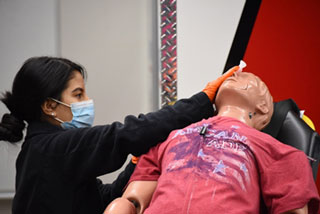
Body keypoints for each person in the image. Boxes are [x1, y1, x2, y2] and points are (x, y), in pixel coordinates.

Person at [0, 56, 237, 214]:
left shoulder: (41, 150)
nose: (88, 102)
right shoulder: (52, 148)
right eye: (78, 94)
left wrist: (134, 165)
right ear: (49, 106)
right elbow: (127, 133)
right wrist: (203, 100)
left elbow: (102, 199)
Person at [105, 71, 320, 214]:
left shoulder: (277, 151)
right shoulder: (168, 140)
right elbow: (133, 201)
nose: (239, 75)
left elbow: (293, 209)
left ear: (264, 108)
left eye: (253, 82)